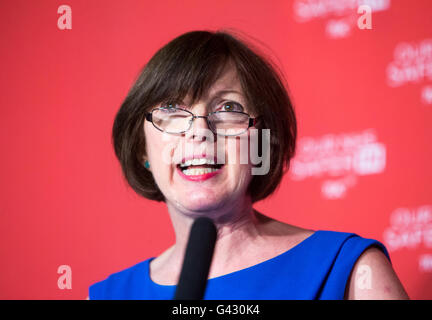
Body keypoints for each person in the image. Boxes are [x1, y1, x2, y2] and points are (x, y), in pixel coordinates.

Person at [88, 29, 409, 300]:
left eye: (228, 107)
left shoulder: (351, 271)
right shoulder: (108, 295)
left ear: (263, 142)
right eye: (172, 109)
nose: (200, 131)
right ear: (143, 147)